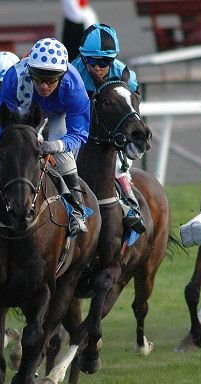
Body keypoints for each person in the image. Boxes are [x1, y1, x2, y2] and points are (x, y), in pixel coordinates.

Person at [0, 37, 90, 236]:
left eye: (51, 79)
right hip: (24, 113)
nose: (44, 85)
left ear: (62, 76)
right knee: (0, 158)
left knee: (63, 159)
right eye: (39, 78)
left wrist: (55, 146)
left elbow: (79, 133)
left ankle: (76, 209)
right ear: (30, 72)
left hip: (57, 114)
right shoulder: (14, 77)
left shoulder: (74, 86)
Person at [71, 23, 145, 233]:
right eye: (92, 61)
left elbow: (133, 108)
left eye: (104, 62)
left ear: (112, 60)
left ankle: (129, 202)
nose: (97, 67)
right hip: (77, 126)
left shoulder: (123, 73)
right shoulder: (73, 72)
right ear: (83, 57)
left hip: (110, 131)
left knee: (120, 160)